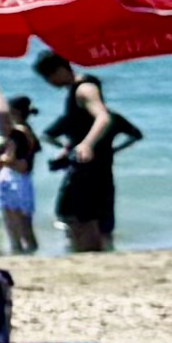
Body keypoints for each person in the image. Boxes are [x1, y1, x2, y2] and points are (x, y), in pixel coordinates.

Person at [47, 68, 139, 252]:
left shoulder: (80, 117)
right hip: (104, 167)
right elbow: (135, 135)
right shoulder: (113, 117)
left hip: (85, 167)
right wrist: (115, 150)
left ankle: (82, 249)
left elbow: (48, 135)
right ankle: (106, 250)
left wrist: (76, 146)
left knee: (76, 214)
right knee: (102, 218)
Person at [0, 93, 44, 259]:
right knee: (25, 224)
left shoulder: (17, 132)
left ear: (14, 111)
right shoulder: (28, 130)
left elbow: (14, 161)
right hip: (23, 180)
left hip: (13, 179)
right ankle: (31, 253)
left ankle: (19, 252)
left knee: (14, 223)